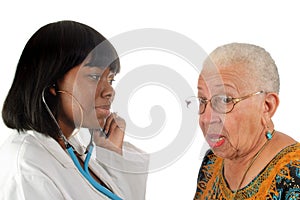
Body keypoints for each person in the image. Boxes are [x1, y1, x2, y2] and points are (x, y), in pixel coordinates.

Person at [0, 20, 148, 200]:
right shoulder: (28, 169)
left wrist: (113, 154)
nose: (110, 91)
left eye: (110, 79)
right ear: (52, 83)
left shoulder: (72, 150)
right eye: (94, 76)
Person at [191, 43, 300, 199]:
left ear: (267, 106)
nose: (206, 118)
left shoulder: (294, 173)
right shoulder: (212, 161)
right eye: (202, 100)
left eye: (225, 100)